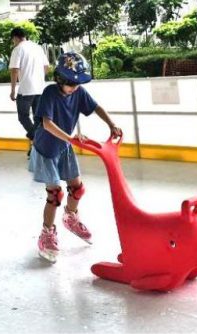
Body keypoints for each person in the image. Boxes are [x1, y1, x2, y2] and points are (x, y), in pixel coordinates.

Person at [28, 52, 122, 263]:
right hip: (46, 148)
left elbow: (95, 107)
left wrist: (111, 124)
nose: (75, 87)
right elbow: (46, 124)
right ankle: (47, 233)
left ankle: (70, 217)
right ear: (59, 79)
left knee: (77, 188)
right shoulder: (50, 93)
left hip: (65, 146)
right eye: (71, 83)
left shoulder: (78, 92)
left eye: (78, 83)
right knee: (55, 194)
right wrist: (71, 138)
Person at [9, 27, 49, 156]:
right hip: (40, 89)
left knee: (23, 117)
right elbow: (46, 67)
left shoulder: (18, 49)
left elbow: (14, 70)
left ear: (15, 37)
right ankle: (37, 148)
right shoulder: (37, 48)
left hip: (26, 90)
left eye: (13, 40)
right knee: (37, 119)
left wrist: (13, 90)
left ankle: (37, 141)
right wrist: (39, 78)